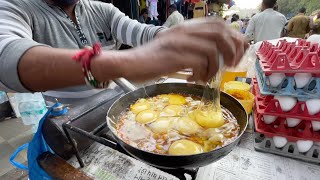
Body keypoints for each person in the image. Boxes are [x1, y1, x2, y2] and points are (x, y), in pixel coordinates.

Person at [0, 0, 247, 103]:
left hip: (114, 108)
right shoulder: (14, 7)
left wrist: (172, 37)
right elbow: (8, 58)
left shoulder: (102, 10)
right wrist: (128, 61)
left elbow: (142, 32)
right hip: (63, 123)